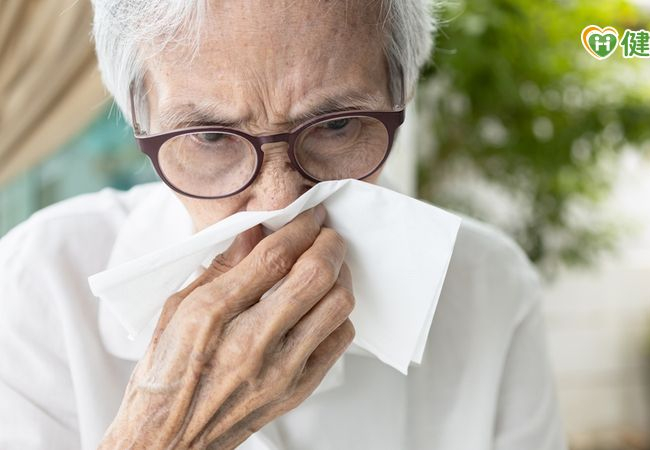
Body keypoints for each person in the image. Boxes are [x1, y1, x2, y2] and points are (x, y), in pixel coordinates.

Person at [0, 0, 567, 448]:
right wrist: (163, 433)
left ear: (403, 92)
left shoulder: (489, 286)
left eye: (336, 126)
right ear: (139, 119)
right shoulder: (38, 282)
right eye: (211, 136)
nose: (279, 203)